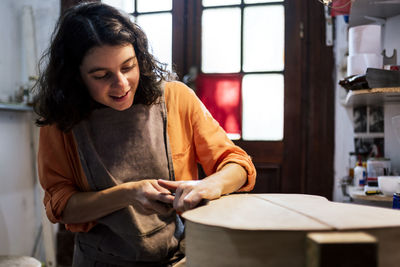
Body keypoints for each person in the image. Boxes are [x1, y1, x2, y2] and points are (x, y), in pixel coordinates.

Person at [34, 2, 256, 266]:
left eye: (128, 66)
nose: (121, 84)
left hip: (180, 257)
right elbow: (61, 206)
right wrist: (128, 194)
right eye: (102, 75)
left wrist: (209, 185)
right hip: (100, 260)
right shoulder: (62, 121)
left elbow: (239, 165)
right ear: (76, 77)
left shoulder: (175, 98)